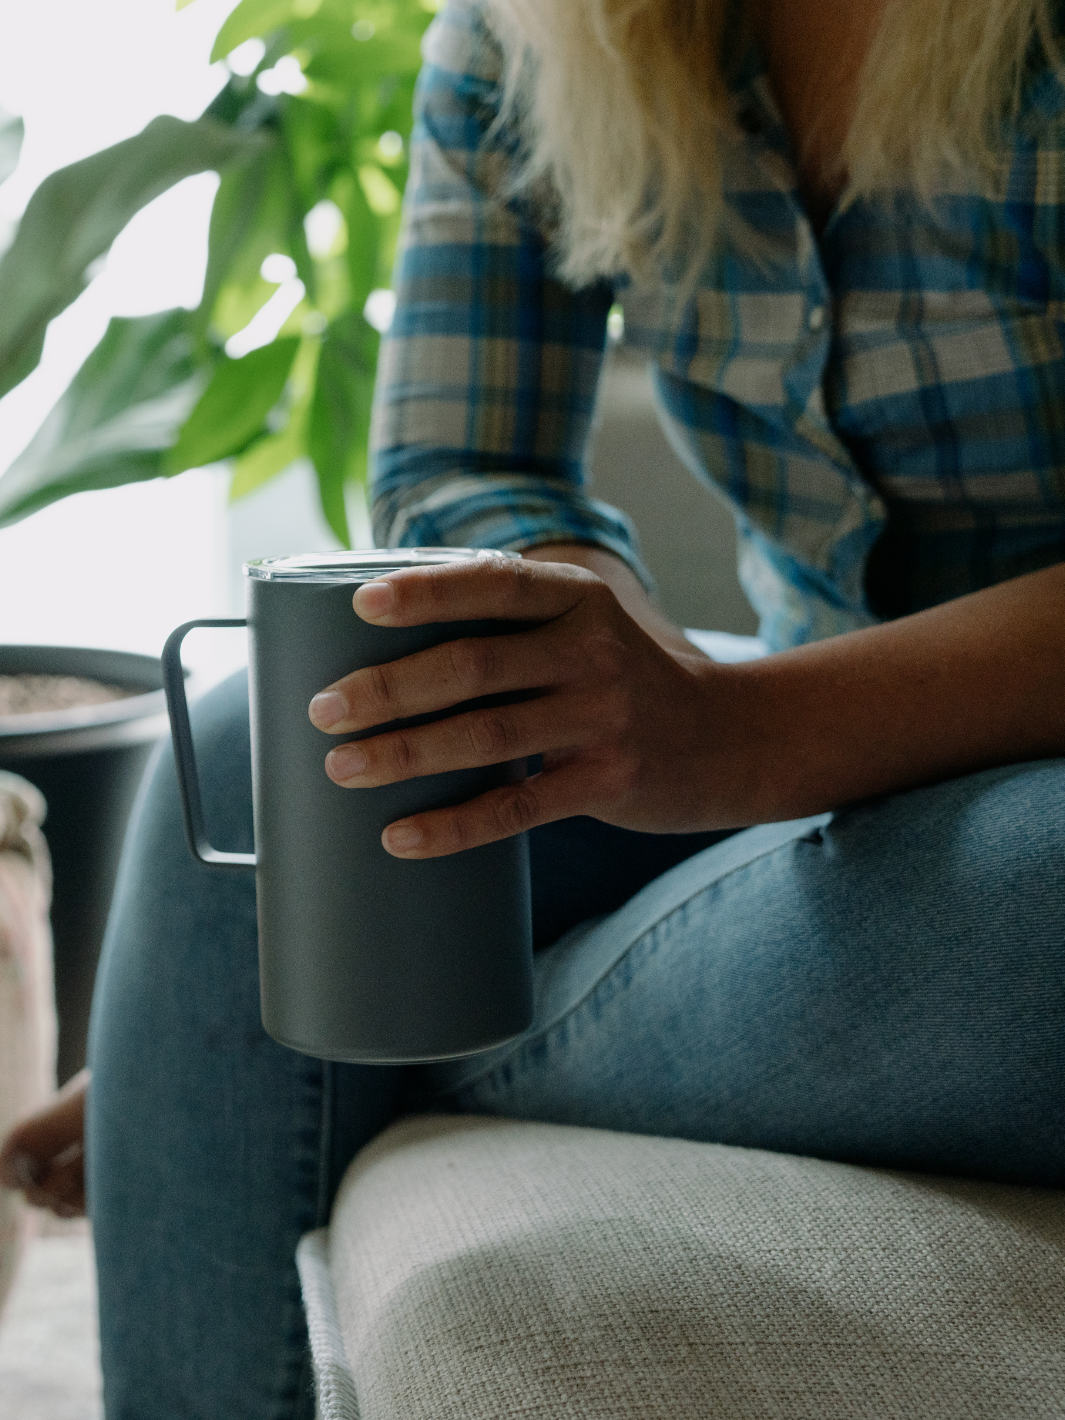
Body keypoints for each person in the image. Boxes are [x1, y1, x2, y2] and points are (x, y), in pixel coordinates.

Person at [3, 0, 1065, 1413]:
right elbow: (465, 462)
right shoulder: (547, 26)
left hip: (1018, 781)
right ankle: (322, 1027)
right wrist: (601, 676)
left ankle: (362, 1048)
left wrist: (742, 737)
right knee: (284, 740)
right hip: (791, 722)